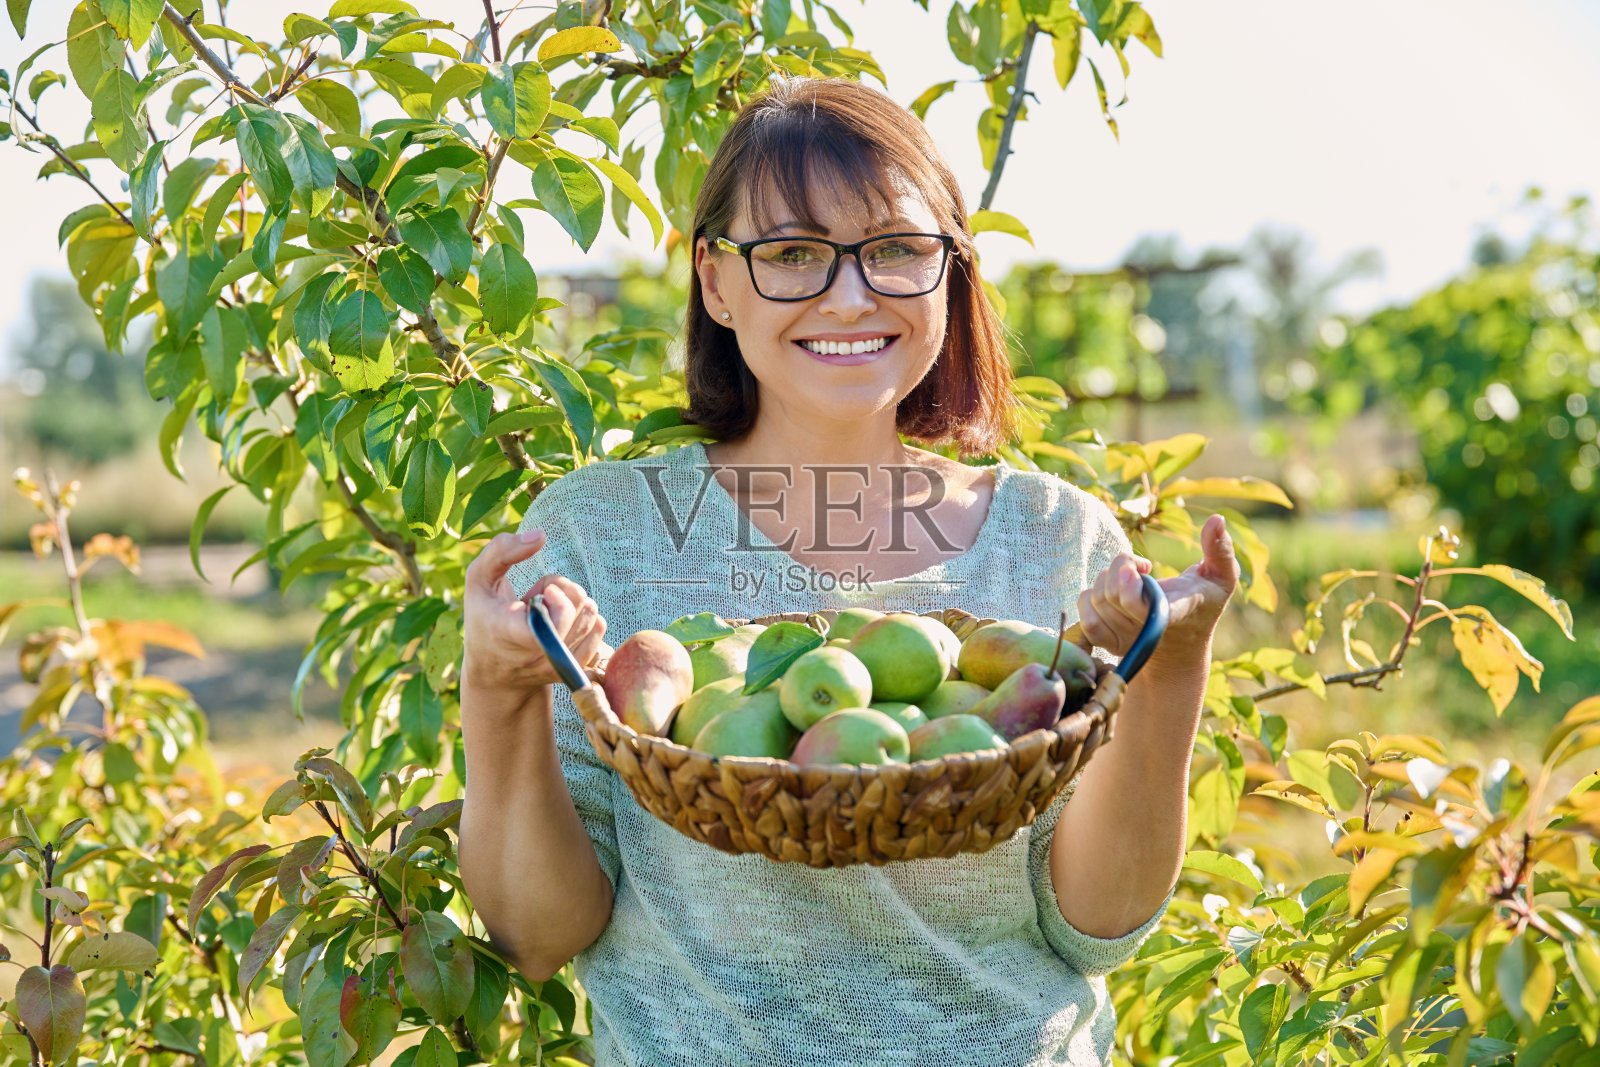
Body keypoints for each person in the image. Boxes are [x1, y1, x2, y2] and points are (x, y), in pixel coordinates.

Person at [458, 75, 1239, 1067]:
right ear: (714, 280)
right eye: (790, 253)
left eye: (897, 251)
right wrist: (498, 688)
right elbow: (536, 934)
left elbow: (1097, 924)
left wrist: (1166, 667)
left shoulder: (1053, 536)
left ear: (951, 272)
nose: (850, 295)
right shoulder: (603, 536)